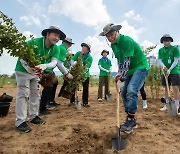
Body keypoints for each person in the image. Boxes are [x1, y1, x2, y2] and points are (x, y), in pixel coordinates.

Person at [99, 23, 149, 134]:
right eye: (108, 36)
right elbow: (120, 62)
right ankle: (131, 118)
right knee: (123, 92)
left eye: (112, 34)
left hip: (140, 67)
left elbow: (127, 61)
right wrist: (119, 74)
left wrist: (122, 78)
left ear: (117, 32)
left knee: (131, 90)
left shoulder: (126, 41)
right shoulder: (113, 45)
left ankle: (130, 120)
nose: (111, 37)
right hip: (130, 71)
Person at [15, 26, 65, 133]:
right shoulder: (34, 42)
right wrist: (29, 68)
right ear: (47, 34)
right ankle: (20, 121)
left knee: (36, 93)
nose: (57, 38)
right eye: (55, 35)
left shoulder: (55, 48)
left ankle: (33, 116)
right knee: (23, 94)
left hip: (37, 72)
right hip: (23, 70)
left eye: (59, 37)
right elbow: (22, 57)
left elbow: (54, 62)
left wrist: (45, 66)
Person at [47, 37, 74, 108]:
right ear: (65, 43)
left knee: (54, 83)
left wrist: (66, 72)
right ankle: (48, 102)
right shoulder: (63, 49)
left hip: (49, 68)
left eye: (70, 44)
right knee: (50, 84)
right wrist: (66, 73)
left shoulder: (60, 47)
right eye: (69, 44)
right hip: (47, 68)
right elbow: (59, 63)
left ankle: (51, 100)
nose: (70, 45)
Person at [158, 34, 180, 114]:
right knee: (166, 88)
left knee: (175, 87)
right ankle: (167, 105)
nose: (166, 42)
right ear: (162, 42)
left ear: (170, 41)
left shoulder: (175, 49)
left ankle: (177, 106)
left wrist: (170, 69)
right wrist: (164, 67)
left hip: (174, 71)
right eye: (164, 41)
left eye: (168, 41)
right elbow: (159, 60)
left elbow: (176, 60)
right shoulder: (160, 50)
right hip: (165, 71)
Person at [69, 43, 93, 107]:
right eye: (82, 47)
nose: (83, 49)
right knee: (73, 86)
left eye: (85, 48)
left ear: (88, 50)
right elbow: (72, 60)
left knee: (85, 88)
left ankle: (85, 102)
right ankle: (72, 101)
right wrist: (73, 64)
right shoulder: (78, 53)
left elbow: (87, 68)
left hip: (85, 75)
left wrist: (81, 73)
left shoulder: (90, 57)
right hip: (76, 73)